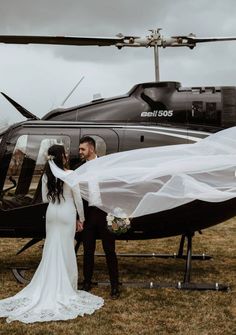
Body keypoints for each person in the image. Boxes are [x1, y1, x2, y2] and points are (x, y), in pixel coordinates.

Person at [0, 144, 103, 323]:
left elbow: (45, 197)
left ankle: (48, 283)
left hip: (52, 213)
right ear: (61, 157)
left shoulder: (47, 175)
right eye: (64, 154)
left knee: (51, 247)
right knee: (66, 249)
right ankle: (66, 287)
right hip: (67, 214)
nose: (66, 156)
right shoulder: (71, 174)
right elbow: (78, 199)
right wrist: (82, 218)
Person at [77, 136, 120, 299]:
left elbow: (115, 189)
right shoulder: (79, 168)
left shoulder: (106, 166)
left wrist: (116, 211)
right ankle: (87, 282)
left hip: (105, 213)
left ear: (91, 149)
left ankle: (115, 285)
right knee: (88, 251)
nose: (80, 152)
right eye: (80, 149)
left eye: (82, 149)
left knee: (110, 250)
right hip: (88, 215)